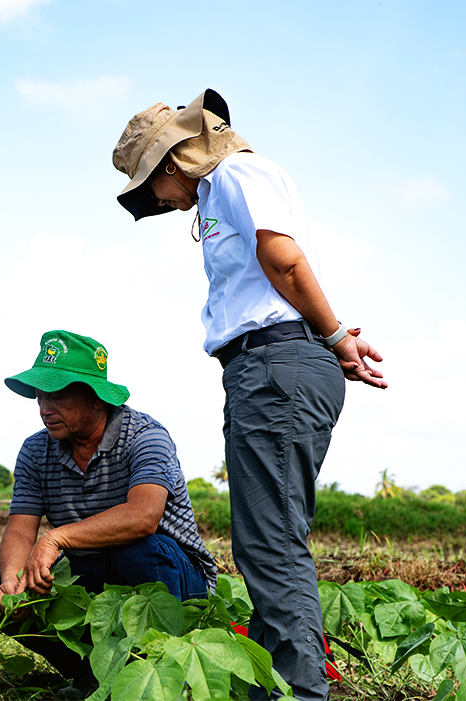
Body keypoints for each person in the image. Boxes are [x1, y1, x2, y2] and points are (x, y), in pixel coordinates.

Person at [112, 88, 388, 701]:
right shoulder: (213, 193)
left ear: (169, 162)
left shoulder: (239, 170)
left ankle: (300, 691)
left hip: (274, 362)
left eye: (150, 184)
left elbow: (282, 261)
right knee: (266, 539)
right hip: (265, 365)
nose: (155, 199)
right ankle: (269, 686)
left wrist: (335, 337)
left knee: (270, 542)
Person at [0, 330, 216, 700]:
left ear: (96, 400)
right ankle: (92, 677)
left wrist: (56, 537)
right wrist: (13, 581)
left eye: (57, 395)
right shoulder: (36, 449)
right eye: (40, 396)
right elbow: (20, 529)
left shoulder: (146, 436)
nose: (44, 407)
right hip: (90, 574)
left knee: (140, 550)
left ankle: (161, 674)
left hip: (175, 579)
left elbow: (143, 517)